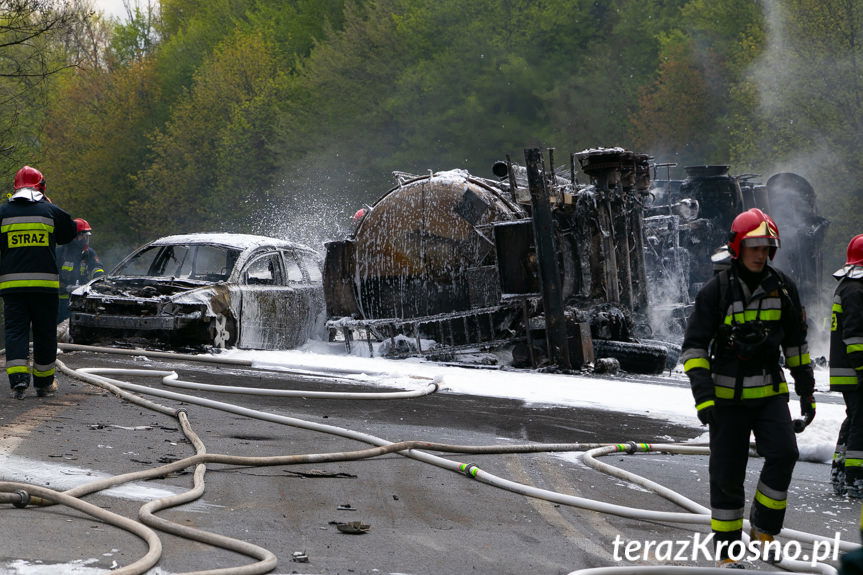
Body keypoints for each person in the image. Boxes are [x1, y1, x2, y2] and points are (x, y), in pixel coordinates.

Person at [680, 207, 816, 568]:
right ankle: (727, 551)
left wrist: (807, 391)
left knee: (785, 454)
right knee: (727, 473)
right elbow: (694, 348)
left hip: (770, 395)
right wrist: (703, 397)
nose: (760, 253)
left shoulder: (783, 287)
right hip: (725, 400)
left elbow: (796, 347)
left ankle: (764, 531)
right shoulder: (716, 291)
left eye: (766, 247)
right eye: (754, 246)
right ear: (737, 248)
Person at [0, 166, 76, 399]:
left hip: (12, 289)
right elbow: (69, 233)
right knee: (44, 334)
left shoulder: (2, 213)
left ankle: (18, 382)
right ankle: (43, 384)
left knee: (15, 332)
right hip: (45, 288)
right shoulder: (51, 211)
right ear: (41, 187)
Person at [829, 234, 863, 497]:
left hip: (848, 369)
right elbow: (854, 335)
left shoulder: (848, 286)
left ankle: (840, 472)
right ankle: (856, 478)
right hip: (855, 370)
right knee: (862, 421)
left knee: (854, 418)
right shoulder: (856, 289)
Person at [56, 218, 105, 323]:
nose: (86, 239)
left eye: (88, 236)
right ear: (74, 237)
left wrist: (100, 283)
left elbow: (97, 269)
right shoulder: (59, 253)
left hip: (82, 302)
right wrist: (66, 287)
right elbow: (50, 277)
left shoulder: (89, 253)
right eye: (84, 236)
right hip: (61, 303)